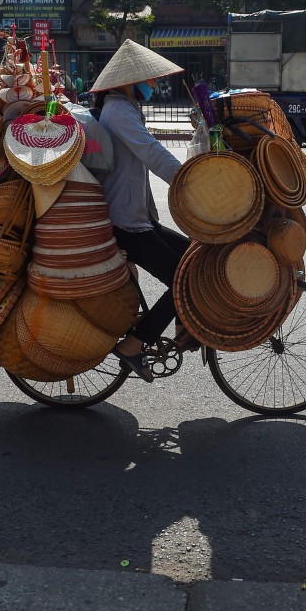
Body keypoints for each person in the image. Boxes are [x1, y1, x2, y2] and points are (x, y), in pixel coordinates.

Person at [91, 39, 193, 382]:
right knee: (185, 281)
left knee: (195, 256)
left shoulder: (124, 108)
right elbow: (152, 153)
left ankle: (185, 324)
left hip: (138, 218)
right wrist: (189, 182)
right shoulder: (119, 111)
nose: (153, 84)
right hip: (125, 223)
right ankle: (133, 345)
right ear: (127, 82)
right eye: (148, 80)